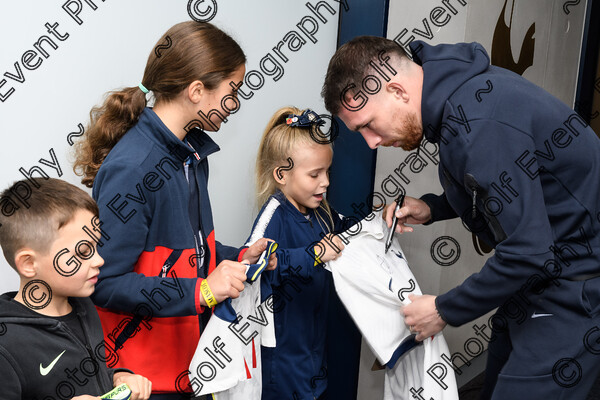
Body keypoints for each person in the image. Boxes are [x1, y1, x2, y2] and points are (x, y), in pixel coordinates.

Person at [321, 36, 600, 399]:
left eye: (368, 125)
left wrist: (443, 309)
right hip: (543, 273)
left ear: (396, 90)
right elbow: (503, 186)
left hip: (579, 282)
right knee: (496, 376)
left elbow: (528, 250)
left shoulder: (481, 124)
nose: (371, 142)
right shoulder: (455, 96)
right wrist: (433, 208)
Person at [73, 21, 276, 399]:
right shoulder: (135, 167)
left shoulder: (192, 155)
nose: (234, 106)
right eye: (232, 93)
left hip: (187, 366)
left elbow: (183, 253)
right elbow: (105, 283)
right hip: (143, 381)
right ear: (197, 91)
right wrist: (201, 291)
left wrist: (236, 257)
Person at [0, 178, 152, 400]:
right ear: (29, 264)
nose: (99, 260)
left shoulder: (84, 306)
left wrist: (118, 377)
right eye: (82, 252)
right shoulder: (6, 345)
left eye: (96, 246)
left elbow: (88, 376)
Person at [246, 107, 350, 400]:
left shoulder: (322, 213)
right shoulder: (273, 215)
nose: (326, 182)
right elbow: (253, 267)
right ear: (281, 174)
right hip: (281, 357)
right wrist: (314, 253)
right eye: (315, 174)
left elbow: (348, 231)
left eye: (327, 172)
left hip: (313, 350)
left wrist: (378, 221)